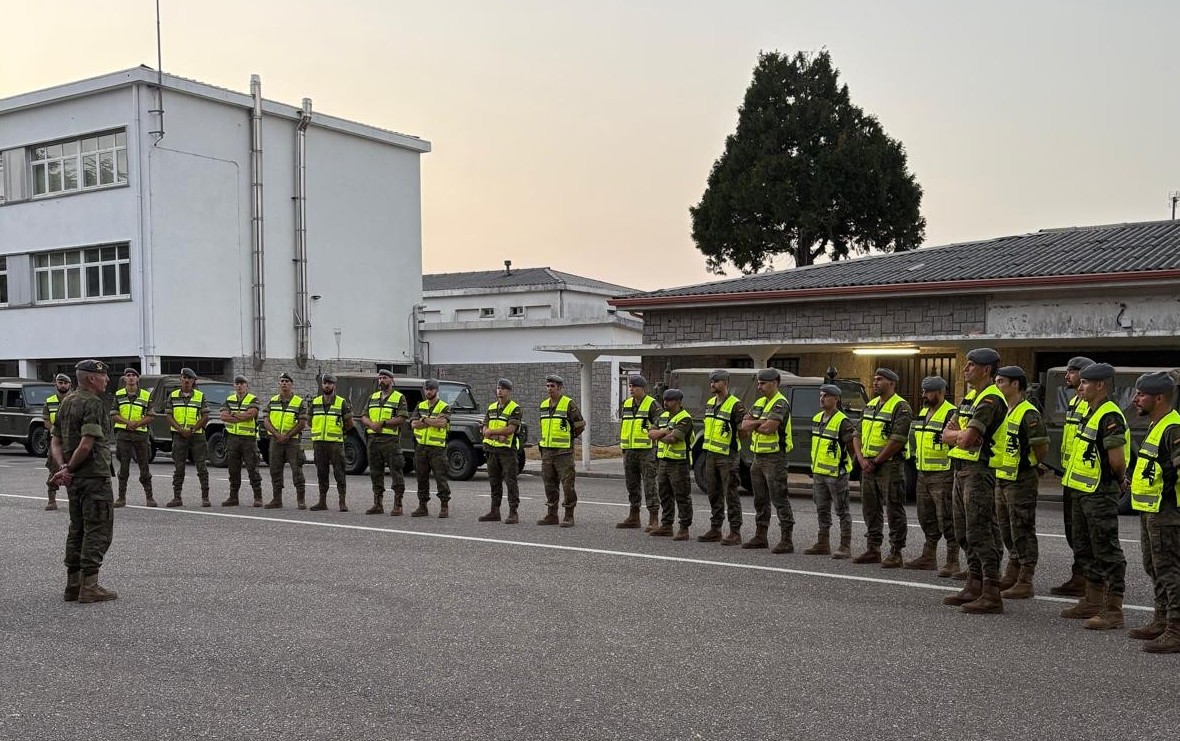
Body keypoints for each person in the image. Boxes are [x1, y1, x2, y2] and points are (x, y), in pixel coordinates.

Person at [1060, 362, 1129, 630]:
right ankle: (1092, 599)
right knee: (1084, 546)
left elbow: (1116, 459)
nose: (1080, 386)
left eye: (1085, 383)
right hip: (1081, 491)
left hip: (1099, 493)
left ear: (1100, 385)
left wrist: (1120, 478)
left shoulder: (1109, 416)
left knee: (1106, 549)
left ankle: (1113, 609)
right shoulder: (1090, 411)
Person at [941, 347, 1008, 614]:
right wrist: (959, 436)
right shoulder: (970, 398)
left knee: (980, 530)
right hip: (961, 468)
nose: (966, 368)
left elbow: (967, 438)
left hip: (980, 471)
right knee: (963, 530)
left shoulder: (991, 399)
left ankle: (991, 592)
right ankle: (974, 584)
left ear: (986, 370)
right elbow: (947, 432)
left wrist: (961, 436)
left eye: (971, 365)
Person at [49, 359, 116, 603]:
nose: (107, 380)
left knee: (77, 528)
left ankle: (73, 584)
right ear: (91, 379)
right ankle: (90, 586)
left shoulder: (66, 402)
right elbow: (87, 443)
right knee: (97, 529)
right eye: (103, 376)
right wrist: (71, 467)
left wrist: (64, 468)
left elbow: (55, 440)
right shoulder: (93, 403)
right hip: (93, 476)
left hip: (75, 479)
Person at [1127, 371, 1180, 652]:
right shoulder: (1156, 425)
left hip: (1167, 512)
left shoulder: (1173, 428)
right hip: (1151, 509)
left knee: (1171, 571)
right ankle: (1161, 620)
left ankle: (1176, 629)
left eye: (1141, 395)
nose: (1136, 399)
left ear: (1159, 398)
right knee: (1154, 567)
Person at [992, 366, 1049, 600]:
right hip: (1002, 477)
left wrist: (1031, 463)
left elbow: (1041, 446)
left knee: (1023, 529)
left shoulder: (1028, 412)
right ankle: (1012, 571)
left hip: (1021, 478)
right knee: (1007, 528)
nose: (997, 385)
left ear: (1015, 384)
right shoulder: (1004, 410)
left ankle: (1025, 578)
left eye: (1001, 381)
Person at [852, 368, 912, 567]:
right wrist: (861, 460)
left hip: (889, 466)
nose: (875, 382)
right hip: (867, 465)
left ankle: (896, 551)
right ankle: (873, 548)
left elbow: (897, 440)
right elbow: (857, 434)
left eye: (880, 379)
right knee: (870, 508)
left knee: (893, 508)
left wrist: (876, 461)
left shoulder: (900, 407)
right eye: (875, 379)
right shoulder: (870, 405)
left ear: (892, 383)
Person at [1051, 356, 1096, 597]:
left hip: (1087, 481)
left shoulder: (1092, 405)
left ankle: (1093, 583)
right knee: (1074, 532)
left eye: (1072, 372)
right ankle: (1079, 577)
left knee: (1087, 534)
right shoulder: (1076, 402)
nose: (1067, 376)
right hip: (1072, 477)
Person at [905, 376, 958, 573]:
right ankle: (929, 556)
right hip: (923, 473)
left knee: (947, 517)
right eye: (923, 391)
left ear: (940, 392)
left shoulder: (951, 413)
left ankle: (953, 560)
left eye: (928, 392)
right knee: (925, 516)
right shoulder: (923, 412)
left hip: (943, 474)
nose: (924, 395)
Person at [739, 369, 795, 553]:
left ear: (775, 383)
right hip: (758, 457)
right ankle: (761, 535)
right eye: (759, 383)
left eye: (763, 383)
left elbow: (769, 429)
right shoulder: (760, 402)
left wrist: (757, 423)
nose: (759, 386)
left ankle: (786, 539)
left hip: (775, 458)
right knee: (760, 499)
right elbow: (744, 425)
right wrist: (759, 422)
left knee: (779, 498)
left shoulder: (780, 403)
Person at [697, 370, 746, 546]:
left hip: (728, 456)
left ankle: (735, 532)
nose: (712, 384)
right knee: (713, 493)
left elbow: (743, 431)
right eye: (711, 381)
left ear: (725, 382)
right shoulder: (710, 403)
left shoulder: (736, 405)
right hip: (710, 454)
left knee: (731, 493)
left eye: (716, 381)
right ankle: (715, 529)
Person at [808, 383, 856, 558]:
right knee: (822, 509)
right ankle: (823, 542)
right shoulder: (817, 418)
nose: (822, 399)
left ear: (836, 399)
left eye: (826, 396)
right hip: (819, 472)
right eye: (821, 395)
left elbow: (851, 446)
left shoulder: (842, 421)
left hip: (836, 474)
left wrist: (844, 464)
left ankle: (845, 546)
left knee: (842, 510)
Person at [536, 374, 585, 527]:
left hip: (563, 452)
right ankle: (552, 514)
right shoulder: (544, 405)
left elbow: (580, 425)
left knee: (567, 484)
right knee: (549, 484)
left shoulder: (568, 404)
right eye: (548, 386)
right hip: (547, 452)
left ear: (560, 388)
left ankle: (569, 515)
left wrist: (569, 437)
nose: (550, 389)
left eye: (553, 386)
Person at [617, 375, 662, 531]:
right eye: (630, 386)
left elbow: (660, 421)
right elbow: (624, 424)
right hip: (629, 451)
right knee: (632, 484)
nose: (631, 389)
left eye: (634, 386)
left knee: (650, 484)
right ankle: (634, 516)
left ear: (643, 388)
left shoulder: (652, 404)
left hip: (646, 451)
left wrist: (653, 431)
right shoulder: (627, 404)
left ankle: (654, 518)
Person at [648, 388, 694, 540]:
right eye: (665, 400)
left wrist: (660, 434)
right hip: (664, 461)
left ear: (678, 402)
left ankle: (684, 528)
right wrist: (666, 432)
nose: (665, 403)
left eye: (669, 400)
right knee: (664, 494)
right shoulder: (663, 416)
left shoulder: (685, 418)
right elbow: (650, 432)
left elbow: (675, 439)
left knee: (682, 495)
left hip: (679, 463)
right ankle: (667, 525)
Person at [361, 369, 408, 515]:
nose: (381, 380)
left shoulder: (399, 398)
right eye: (380, 378)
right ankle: (378, 504)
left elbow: (402, 418)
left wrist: (383, 423)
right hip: (373, 440)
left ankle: (398, 504)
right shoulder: (372, 397)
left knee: (396, 471)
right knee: (375, 472)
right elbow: (363, 415)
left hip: (390, 441)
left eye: (385, 378)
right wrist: (370, 424)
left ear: (391, 380)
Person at [479, 378, 523, 524]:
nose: (500, 391)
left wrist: (491, 431)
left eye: (503, 388)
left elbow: (510, 430)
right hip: (491, 449)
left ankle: (513, 512)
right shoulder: (491, 407)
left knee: (510, 481)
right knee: (494, 481)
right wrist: (495, 434)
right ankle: (494, 511)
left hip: (507, 451)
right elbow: (484, 427)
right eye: (498, 388)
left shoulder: (515, 408)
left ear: (509, 391)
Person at [110, 368, 155, 508]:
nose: (130, 378)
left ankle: (149, 497)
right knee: (123, 468)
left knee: (144, 467)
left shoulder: (146, 396)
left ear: (137, 379)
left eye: (133, 376)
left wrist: (137, 424)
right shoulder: (118, 395)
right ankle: (121, 497)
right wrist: (127, 422)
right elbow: (113, 413)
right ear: (124, 379)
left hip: (140, 435)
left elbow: (151, 415)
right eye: (128, 376)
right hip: (123, 435)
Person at [165, 367, 209, 508]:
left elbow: (205, 416)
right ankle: (177, 497)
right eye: (184, 378)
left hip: (196, 435)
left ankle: (205, 497)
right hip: (179, 435)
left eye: (189, 379)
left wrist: (193, 429)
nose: (186, 381)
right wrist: (180, 430)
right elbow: (168, 415)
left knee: (201, 466)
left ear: (193, 381)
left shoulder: (200, 396)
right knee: (179, 467)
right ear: (180, 379)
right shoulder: (173, 396)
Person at [262, 372, 307, 509]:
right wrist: (276, 434)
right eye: (282, 381)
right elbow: (266, 420)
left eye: (287, 381)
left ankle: (301, 500)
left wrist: (287, 435)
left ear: (291, 384)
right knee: (275, 469)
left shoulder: (299, 402)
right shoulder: (273, 400)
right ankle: (277, 499)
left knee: (296, 470)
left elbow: (302, 422)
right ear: (279, 384)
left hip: (292, 441)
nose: (284, 383)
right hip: (275, 440)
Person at [308, 374, 353, 512]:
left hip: (335, 444)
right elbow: (309, 421)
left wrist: (337, 431)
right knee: (321, 472)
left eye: (330, 383)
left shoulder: (341, 402)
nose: (327, 385)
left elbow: (349, 423)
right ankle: (322, 502)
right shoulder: (315, 403)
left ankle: (342, 502)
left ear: (334, 386)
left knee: (339, 472)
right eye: (325, 383)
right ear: (322, 385)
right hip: (319, 443)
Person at [218, 375, 264, 507]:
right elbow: (223, 416)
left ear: (246, 385)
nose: (239, 386)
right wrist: (240, 417)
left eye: (242, 383)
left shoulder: (252, 399)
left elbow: (251, 414)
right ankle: (233, 497)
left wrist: (233, 415)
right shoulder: (229, 399)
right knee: (233, 469)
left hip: (248, 440)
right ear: (234, 386)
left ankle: (258, 497)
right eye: (237, 383)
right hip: (232, 438)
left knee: (252, 468)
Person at [411, 379, 451, 518]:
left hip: (437, 449)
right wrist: (431, 421)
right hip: (421, 447)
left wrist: (424, 420)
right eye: (426, 389)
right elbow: (414, 424)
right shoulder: (420, 405)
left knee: (441, 478)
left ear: (436, 390)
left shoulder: (444, 407)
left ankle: (444, 505)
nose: (428, 392)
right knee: (421, 478)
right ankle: (423, 506)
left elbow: (442, 423)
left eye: (431, 389)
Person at [42, 373, 73, 511]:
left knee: (74, 470)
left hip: (72, 441)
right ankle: (52, 500)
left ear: (70, 385)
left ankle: (74, 500)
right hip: (55, 441)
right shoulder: (49, 401)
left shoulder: (74, 400)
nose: (63, 385)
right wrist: (55, 430)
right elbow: (46, 420)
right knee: (54, 469)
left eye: (65, 383)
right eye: (60, 382)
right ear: (56, 384)